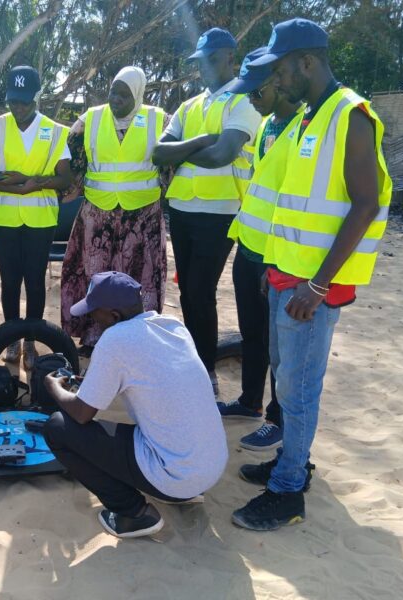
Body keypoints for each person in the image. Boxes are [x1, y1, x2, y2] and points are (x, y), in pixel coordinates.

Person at [231, 18, 392, 530]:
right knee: (286, 379)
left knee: (299, 388)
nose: (275, 81)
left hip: (314, 287)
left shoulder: (350, 115)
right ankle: (291, 463)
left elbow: (365, 203)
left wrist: (318, 284)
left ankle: (288, 490)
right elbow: (296, 207)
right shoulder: (307, 118)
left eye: (280, 70)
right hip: (287, 277)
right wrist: (276, 267)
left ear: (306, 62)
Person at [43, 271, 228, 538]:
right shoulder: (172, 326)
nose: (92, 319)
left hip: (177, 476)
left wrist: (53, 389)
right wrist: (100, 378)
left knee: (58, 428)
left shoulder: (115, 339)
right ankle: (181, 492)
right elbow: (157, 380)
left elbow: (82, 414)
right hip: (209, 467)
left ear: (114, 315)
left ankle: (134, 514)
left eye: (95, 312)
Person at [153, 27, 262, 397]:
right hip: (182, 209)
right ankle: (198, 363)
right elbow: (158, 153)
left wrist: (182, 151)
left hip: (220, 212)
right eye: (200, 62)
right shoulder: (190, 105)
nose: (205, 69)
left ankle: (205, 372)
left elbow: (223, 155)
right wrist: (201, 140)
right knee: (187, 293)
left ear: (231, 57)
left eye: (212, 60)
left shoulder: (243, 101)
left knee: (201, 290)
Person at [216, 47, 304, 451]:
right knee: (252, 334)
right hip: (249, 247)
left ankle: (277, 418)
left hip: (277, 257)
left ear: (279, 80)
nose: (250, 98)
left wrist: (275, 262)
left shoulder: (305, 129)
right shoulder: (268, 126)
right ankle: (250, 401)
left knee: (280, 348)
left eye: (256, 90)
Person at [60, 66, 168, 356]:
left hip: (142, 217)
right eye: (113, 92)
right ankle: (94, 337)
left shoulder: (160, 121)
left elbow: (171, 165)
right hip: (98, 216)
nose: (115, 99)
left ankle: (137, 340)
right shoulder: (89, 120)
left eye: (124, 94)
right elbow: (73, 165)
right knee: (97, 275)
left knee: (138, 278)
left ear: (138, 95)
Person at [0, 66, 72, 370]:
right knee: (10, 281)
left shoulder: (56, 131)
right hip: (4, 217)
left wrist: (32, 181)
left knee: (34, 281)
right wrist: (19, 189)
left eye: (24, 101)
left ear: (37, 97)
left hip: (41, 219)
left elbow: (64, 178)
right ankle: (11, 338)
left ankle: (31, 340)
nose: (18, 108)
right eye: (13, 101)